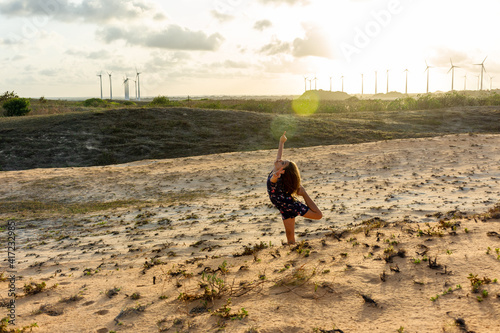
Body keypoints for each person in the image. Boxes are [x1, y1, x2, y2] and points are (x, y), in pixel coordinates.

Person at [267, 131, 322, 244]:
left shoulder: (276, 177)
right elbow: (279, 156)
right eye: (283, 161)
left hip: (291, 205)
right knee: (290, 234)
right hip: (283, 208)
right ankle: (291, 251)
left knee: (318, 215)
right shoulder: (276, 169)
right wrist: (281, 142)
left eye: (283, 163)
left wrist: (275, 176)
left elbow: (273, 181)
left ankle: (304, 193)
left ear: (283, 171)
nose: (280, 160)